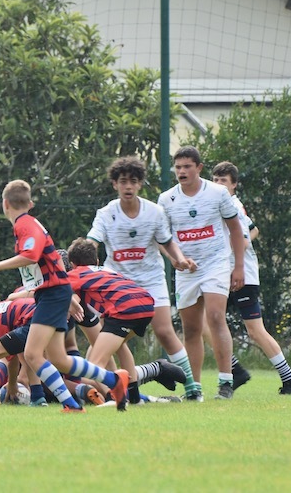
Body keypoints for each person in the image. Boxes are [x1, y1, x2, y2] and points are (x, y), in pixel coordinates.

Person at [0, 179, 129, 412]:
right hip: (53, 294)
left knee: (32, 354)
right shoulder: (29, 224)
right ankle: (113, 381)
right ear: (30, 203)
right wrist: (67, 294)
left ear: (5, 204)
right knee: (58, 359)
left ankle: (73, 403)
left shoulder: (25, 225)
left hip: (51, 295)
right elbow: (55, 260)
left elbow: (30, 256)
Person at [87, 156, 200, 397]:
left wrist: (179, 259)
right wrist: (84, 258)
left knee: (164, 331)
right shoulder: (106, 213)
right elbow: (92, 241)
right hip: (117, 285)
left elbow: (167, 242)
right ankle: (123, 390)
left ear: (140, 184)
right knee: (111, 337)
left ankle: (193, 387)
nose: (128, 186)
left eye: (133, 181)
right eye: (123, 181)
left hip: (151, 280)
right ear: (115, 184)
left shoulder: (154, 212)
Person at [157, 146, 246, 401]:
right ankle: (194, 389)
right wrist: (176, 260)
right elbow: (162, 239)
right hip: (188, 271)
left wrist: (238, 266)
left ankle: (226, 382)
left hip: (216, 263)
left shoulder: (217, 193)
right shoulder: (166, 200)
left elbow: (236, 230)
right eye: (178, 167)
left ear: (199, 168)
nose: (182, 171)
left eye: (187, 166)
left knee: (216, 317)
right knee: (191, 328)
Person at [211, 161, 291, 395]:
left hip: (241, 276)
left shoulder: (231, 204)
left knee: (254, 330)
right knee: (206, 321)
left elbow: (242, 239)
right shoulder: (224, 204)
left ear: (234, 185)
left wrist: (235, 262)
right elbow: (253, 230)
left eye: (224, 181)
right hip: (224, 273)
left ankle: (290, 381)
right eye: (216, 180)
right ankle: (236, 370)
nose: (219, 184)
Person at [66, 237, 156, 405]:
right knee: (120, 345)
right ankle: (134, 398)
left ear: (72, 264)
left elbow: (59, 290)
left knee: (95, 364)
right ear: (97, 260)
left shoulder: (76, 273)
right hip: (146, 304)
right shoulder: (108, 270)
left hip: (124, 309)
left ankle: (114, 397)